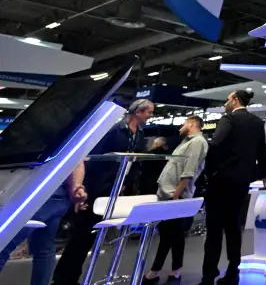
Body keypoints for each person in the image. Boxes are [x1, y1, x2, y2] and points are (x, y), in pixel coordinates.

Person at [53, 98, 155, 285]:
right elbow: (93, 158)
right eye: (149, 112)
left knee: (93, 237)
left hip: (117, 191)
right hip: (97, 189)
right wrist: (84, 187)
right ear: (138, 112)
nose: (151, 115)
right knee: (82, 236)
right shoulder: (114, 130)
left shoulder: (140, 134)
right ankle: (63, 279)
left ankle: (74, 277)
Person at [200, 90, 266, 285]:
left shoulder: (228, 119)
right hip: (242, 182)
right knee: (234, 227)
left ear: (235, 100)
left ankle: (208, 275)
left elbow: (215, 145)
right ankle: (233, 272)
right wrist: (265, 174)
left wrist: (210, 171)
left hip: (220, 181)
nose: (225, 103)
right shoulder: (257, 122)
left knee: (214, 229)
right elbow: (262, 151)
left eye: (227, 100)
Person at [142, 116, 209, 285]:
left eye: (185, 122)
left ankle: (174, 272)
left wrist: (177, 193)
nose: (181, 125)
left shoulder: (198, 142)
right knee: (167, 234)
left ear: (192, 124)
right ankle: (156, 271)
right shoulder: (186, 142)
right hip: (169, 194)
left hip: (176, 196)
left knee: (175, 235)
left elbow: (189, 169)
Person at [0, 163, 87, 285]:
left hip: (34, 190)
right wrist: (76, 188)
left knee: (4, 242)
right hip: (55, 193)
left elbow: (77, 161)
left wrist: (76, 187)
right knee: (43, 246)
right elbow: (77, 160)